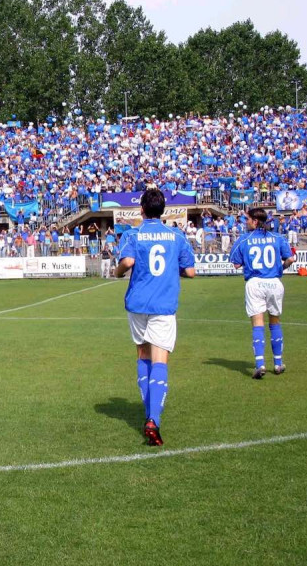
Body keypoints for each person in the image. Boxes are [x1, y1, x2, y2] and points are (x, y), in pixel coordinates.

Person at [115, 189, 196, 446]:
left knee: (142, 355)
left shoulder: (132, 234)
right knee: (160, 360)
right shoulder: (176, 235)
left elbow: (127, 262)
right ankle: (154, 419)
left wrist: (117, 272)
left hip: (138, 303)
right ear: (163, 211)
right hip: (163, 303)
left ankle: (148, 412)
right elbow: (191, 272)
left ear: (141, 209)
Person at [229, 208, 296, 379]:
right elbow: (289, 259)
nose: (246, 222)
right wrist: (280, 268)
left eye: (247, 219)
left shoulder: (244, 239)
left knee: (257, 323)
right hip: (274, 282)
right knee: (274, 321)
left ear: (255, 221)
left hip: (255, 283)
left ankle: (260, 364)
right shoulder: (277, 237)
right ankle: (278, 363)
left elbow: (236, 264)